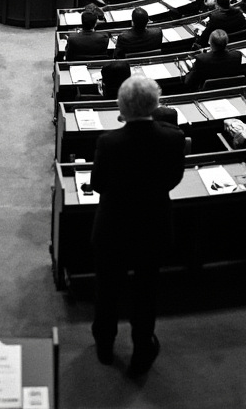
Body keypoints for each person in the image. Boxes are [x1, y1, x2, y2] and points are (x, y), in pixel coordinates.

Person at [91, 76, 185, 372]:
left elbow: (97, 185)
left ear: (122, 107)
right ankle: (143, 346)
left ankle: (105, 345)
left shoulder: (108, 143)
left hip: (113, 228)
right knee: (146, 290)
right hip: (153, 226)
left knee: (108, 288)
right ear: (156, 105)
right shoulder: (174, 138)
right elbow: (174, 179)